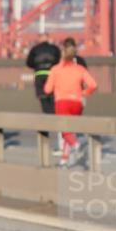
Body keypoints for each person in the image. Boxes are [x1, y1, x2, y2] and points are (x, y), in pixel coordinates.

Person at [44, 38, 97, 167]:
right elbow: (93, 85)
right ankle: (64, 159)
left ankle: (76, 145)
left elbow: (47, 89)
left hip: (62, 102)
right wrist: (84, 93)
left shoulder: (56, 69)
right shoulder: (80, 68)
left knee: (64, 131)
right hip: (77, 103)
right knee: (70, 131)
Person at [26, 33, 61, 114]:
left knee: (42, 97)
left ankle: (47, 114)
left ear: (39, 39)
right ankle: (53, 113)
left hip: (39, 75)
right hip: (52, 75)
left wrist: (37, 67)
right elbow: (59, 61)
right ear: (48, 38)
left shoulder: (35, 49)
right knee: (52, 96)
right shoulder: (54, 48)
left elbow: (29, 63)